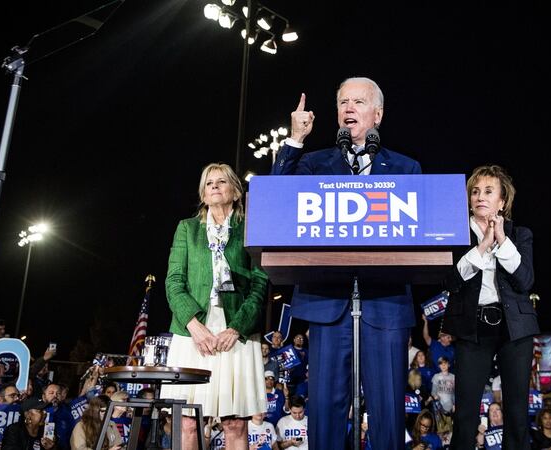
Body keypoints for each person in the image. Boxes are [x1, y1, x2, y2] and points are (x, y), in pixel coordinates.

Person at [270, 77, 421, 449]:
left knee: (387, 412)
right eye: (343, 102)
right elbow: (275, 198)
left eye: (358, 101)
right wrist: (295, 140)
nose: (348, 108)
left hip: (385, 304)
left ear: (378, 114)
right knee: (325, 411)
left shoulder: (406, 169)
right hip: (327, 302)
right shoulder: (314, 163)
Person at [163, 162, 269, 449]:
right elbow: (173, 282)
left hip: (236, 334)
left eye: (221, 182)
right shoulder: (187, 229)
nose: (214, 187)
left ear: (235, 192)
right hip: (193, 334)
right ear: (202, 192)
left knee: (235, 423)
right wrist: (194, 325)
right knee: (186, 422)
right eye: (209, 183)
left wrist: (237, 328)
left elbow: (261, 284)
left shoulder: (251, 228)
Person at [443, 164, 538, 450]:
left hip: (515, 330)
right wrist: (483, 245)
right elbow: (451, 280)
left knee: (517, 411)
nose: (480, 196)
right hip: (472, 330)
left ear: (502, 201)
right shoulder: (455, 233)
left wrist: (501, 240)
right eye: (474, 191)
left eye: (488, 191)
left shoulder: (520, 235)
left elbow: (525, 280)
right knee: (467, 413)